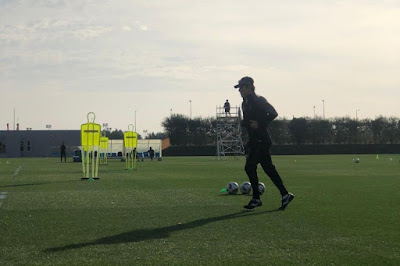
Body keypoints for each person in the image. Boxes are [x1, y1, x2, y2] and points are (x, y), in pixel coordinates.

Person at [234, 76, 294, 210]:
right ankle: (285, 194)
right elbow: (248, 122)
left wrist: (260, 123)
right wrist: (239, 126)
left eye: (241, 88)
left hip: (262, 140)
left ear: (249, 87)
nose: (239, 91)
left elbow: (273, 113)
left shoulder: (258, 100)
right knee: (268, 169)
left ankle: (256, 198)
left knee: (250, 167)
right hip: (254, 140)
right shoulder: (245, 103)